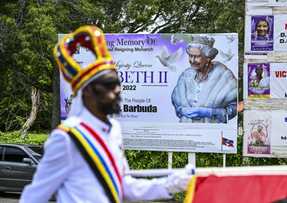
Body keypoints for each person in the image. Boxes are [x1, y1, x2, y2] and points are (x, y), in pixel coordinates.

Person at [20, 26, 192, 203]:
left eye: (117, 83)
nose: (117, 90)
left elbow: (123, 187)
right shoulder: (66, 138)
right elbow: (34, 196)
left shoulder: (114, 129)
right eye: (109, 85)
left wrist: (171, 184)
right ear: (87, 91)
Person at [171, 36, 237, 123]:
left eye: (197, 56)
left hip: (212, 133)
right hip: (186, 132)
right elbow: (177, 105)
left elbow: (235, 108)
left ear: (208, 57)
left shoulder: (224, 76)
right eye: (190, 56)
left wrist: (210, 113)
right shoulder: (185, 76)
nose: (192, 60)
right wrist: (181, 110)